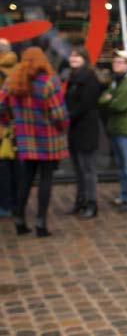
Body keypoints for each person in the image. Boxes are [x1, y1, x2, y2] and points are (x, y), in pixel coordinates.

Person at [0, 47, 69, 237]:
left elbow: (1, 106)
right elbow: (59, 114)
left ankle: (20, 219)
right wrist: (62, 127)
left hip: (25, 136)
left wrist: (9, 122)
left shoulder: (12, 80)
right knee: (46, 179)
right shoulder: (49, 82)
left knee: (26, 177)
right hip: (48, 136)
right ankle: (40, 223)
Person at [99, 49, 127, 211]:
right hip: (116, 127)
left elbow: (119, 105)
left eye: (120, 62)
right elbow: (102, 99)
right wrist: (109, 99)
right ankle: (125, 194)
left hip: (126, 128)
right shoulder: (117, 80)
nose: (115, 64)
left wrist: (110, 100)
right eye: (114, 61)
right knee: (121, 165)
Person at [65, 46, 101, 219]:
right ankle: (80, 200)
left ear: (85, 59)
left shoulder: (90, 78)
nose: (73, 59)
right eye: (71, 56)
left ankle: (92, 203)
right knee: (78, 168)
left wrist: (68, 115)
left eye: (77, 56)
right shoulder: (73, 77)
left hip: (86, 129)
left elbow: (86, 104)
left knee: (88, 169)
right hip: (74, 129)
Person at [0, 38, 18, 218]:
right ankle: (14, 202)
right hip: (15, 124)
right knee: (13, 166)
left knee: (3, 167)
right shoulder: (17, 67)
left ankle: (4, 205)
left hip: (2, 125)